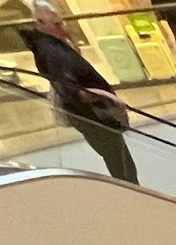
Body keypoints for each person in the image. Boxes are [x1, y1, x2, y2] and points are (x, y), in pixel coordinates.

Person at [23, 4, 137, 182]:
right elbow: (74, 91)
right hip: (91, 116)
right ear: (40, 23)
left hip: (90, 115)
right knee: (118, 160)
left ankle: (131, 191)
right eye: (57, 25)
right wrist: (108, 97)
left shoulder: (50, 46)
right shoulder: (52, 52)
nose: (63, 28)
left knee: (118, 158)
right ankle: (132, 193)